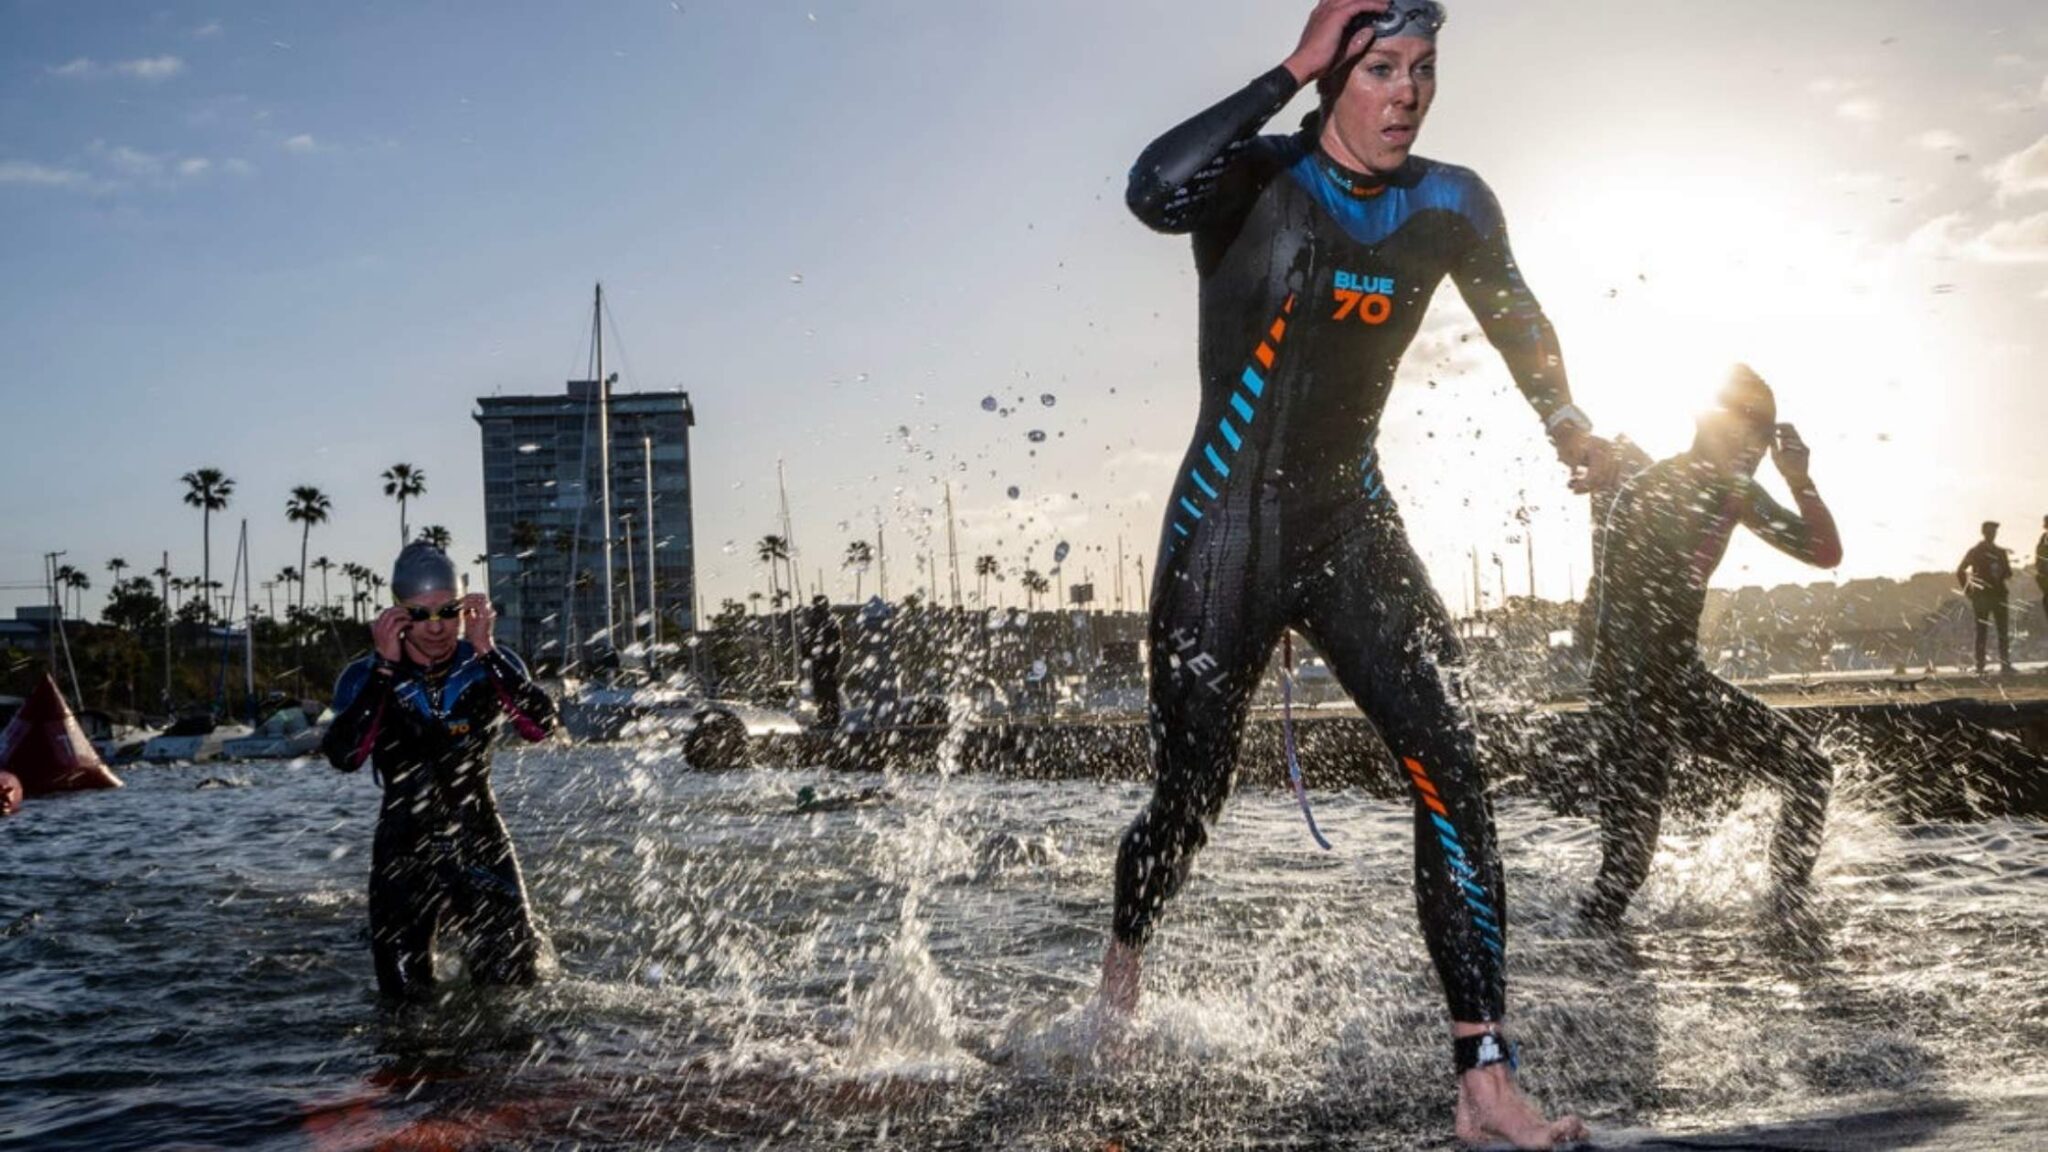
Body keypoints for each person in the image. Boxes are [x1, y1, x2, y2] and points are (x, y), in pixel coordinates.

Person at [1102, 2, 1603, 1145]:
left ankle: (1483, 1080)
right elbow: (1147, 190)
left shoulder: (1450, 204)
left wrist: (1567, 422)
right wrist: (1290, 64)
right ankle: (1118, 977)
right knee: (1187, 805)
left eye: (1423, 69)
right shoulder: (1251, 180)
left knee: (1452, 764)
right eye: (1380, 67)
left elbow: (1519, 319)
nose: (1407, 92)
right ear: (1335, 74)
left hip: (1349, 527)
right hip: (1224, 530)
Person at [1581, 367, 1843, 929]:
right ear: (1708, 424)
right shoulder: (1655, 491)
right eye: (1749, 429)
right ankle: (1576, 964)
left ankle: (1787, 915)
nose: (1757, 445)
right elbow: (1622, 617)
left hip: (1677, 680)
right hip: (1629, 689)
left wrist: (1799, 479)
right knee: (1626, 867)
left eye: (1765, 432)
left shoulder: (1736, 492)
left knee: (1810, 773)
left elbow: (1824, 553)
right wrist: (1640, 711)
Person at [321, 542, 558, 1000]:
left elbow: (540, 726)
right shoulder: (365, 676)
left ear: (466, 608)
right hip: (403, 845)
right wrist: (386, 668)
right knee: (403, 1001)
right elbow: (344, 755)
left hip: (480, 836)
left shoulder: (489, 664)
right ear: (396, 615)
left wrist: (486, 648)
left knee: (515, 988)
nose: (435, 628)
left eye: (447, 612)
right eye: (419, 614)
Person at [1956, 521, 2014, 675]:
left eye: (1994, 532)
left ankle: (2005, 664)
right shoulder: (1975, 552)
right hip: (1982, 596)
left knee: (2002, 631)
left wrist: (2000, 571)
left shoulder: (2000, 552)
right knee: (1983, 630)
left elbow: (2008, 573)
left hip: (1998, 594)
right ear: (1984, 532)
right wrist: (1969, 591)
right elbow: (1960, 571)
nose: (1992, 535)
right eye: (1990, 532)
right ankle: (1981, 664)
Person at [802, 595, 844, 729]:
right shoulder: (816, 622)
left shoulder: (829, 622)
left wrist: (830, 661)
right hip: (819, 663)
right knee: (820, 692)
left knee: (827, 692)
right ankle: (825, 717)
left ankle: (830, 719)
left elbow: (836, 646)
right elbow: (806, 644)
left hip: (826, 663)